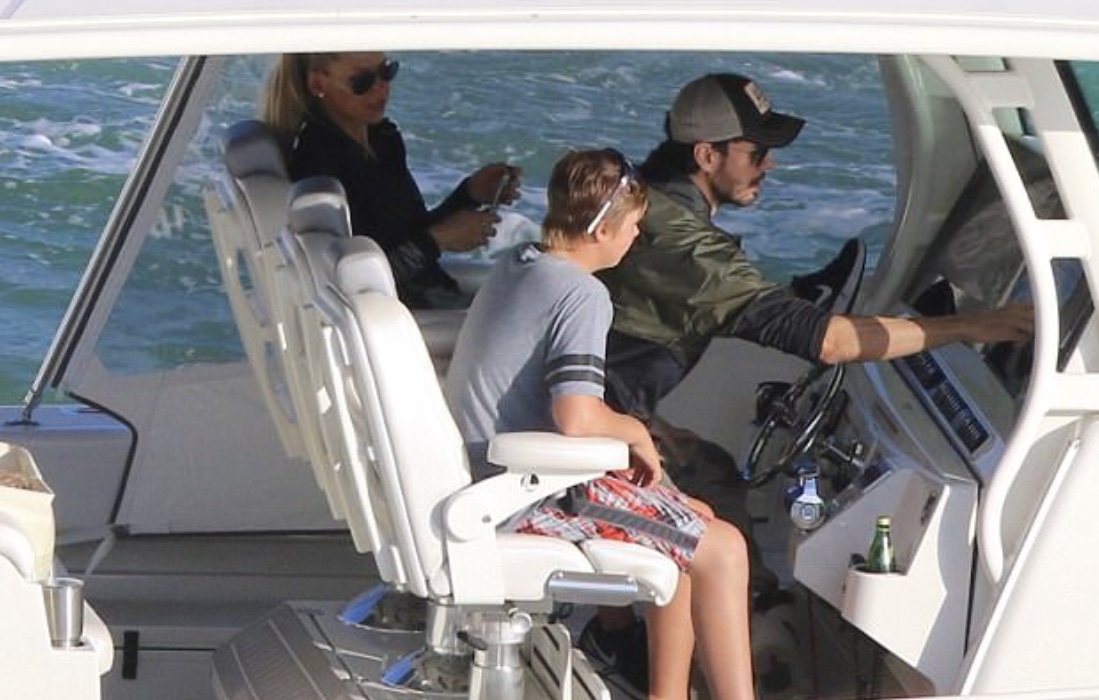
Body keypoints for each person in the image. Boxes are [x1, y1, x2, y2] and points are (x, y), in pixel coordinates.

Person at [584, 72, 1034, 690]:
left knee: (712, 467)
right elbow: (829, 342)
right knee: (716, 525)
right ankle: (697, 664)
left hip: (605, 419)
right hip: (585, 444)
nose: (768, 165)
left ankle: (637, 635)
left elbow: (621, 337)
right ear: (707, 155)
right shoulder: (686, 246)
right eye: (756, 152)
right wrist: (978, 325)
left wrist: (642, 421)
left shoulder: (655, 208)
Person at [445, 149, 755, 700]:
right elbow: (577, 416)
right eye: (634, 226)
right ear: (602, 229)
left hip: (485, 472)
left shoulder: (520, 263)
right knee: (724, 548)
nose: (637, 237)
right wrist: (635, 433)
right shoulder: (582, 294)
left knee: (694, 521)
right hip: (521, 494)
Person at [261, 52, 521, 308]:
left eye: (386, 72)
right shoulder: (321, 166)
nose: (381, 87)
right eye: (362, 81)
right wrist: (438, 240)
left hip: (432, 296)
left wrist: (470, 194)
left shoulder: (380, 142)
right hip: (404, 313)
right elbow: (355, 282)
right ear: (318, 84)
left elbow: (408, 233)